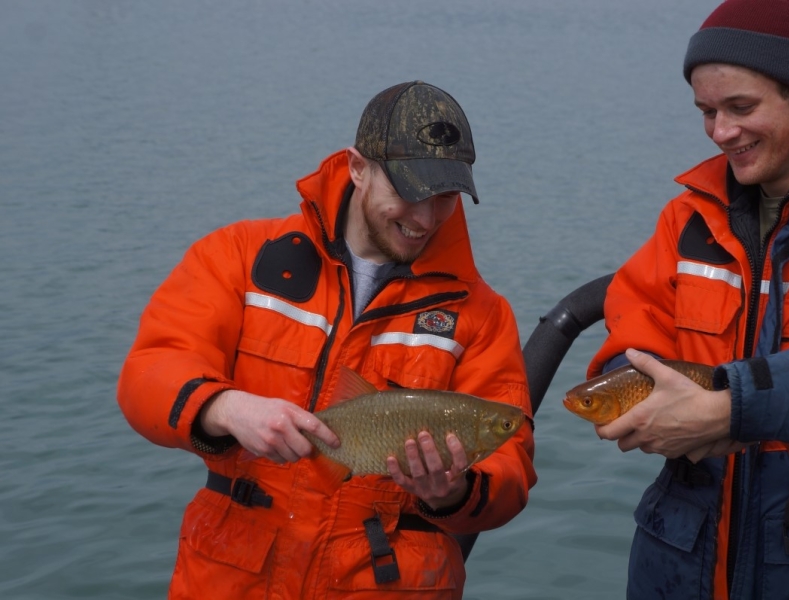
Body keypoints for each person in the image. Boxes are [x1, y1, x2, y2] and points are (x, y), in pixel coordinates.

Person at [117, 81, 536, 599]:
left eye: (445, 197)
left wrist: (455, 492)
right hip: (231, 577)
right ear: (358, 168)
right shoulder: (239, 256)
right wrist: (225, 408)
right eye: (408, 191)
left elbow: (511, 465)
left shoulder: (483, 316)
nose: (425, 219)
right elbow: (148, 373)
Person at [585, 1, 789, 598]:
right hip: (677, 564)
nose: (721, 132)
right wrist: (646, 407)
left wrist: (733, 406)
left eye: (741, 107)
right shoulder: (687, 216)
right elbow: (628, 342)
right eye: (706, 111)